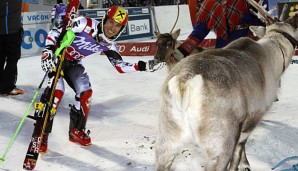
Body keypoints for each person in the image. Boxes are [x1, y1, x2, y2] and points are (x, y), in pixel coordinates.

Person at [39, 5, 163, 153]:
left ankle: (76, 131)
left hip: (74, 64)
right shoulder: (85, 24)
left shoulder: (109, 45)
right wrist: (48, 51)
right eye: (111, 22)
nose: (112, 28)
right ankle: (42, 133)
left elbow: (120, 66)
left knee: (86, 92)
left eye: (118, 26)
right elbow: (56, 31)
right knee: (57, 93)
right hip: (58, 58)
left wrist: (144, 66)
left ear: (122, 29)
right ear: (104, 19)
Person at [174, 0, 269, 58]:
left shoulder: (255, 0)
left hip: (247, 49)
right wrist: (182, 51)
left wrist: (262, 30)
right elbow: (201, 29)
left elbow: (263, 20)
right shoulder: (211, 2)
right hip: (223, 52)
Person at [0, 0, 24, 96]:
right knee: (12, 60)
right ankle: (7, 87)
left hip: (9, 32)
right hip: (12, 32)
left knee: (4, 60)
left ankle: (4, 86)